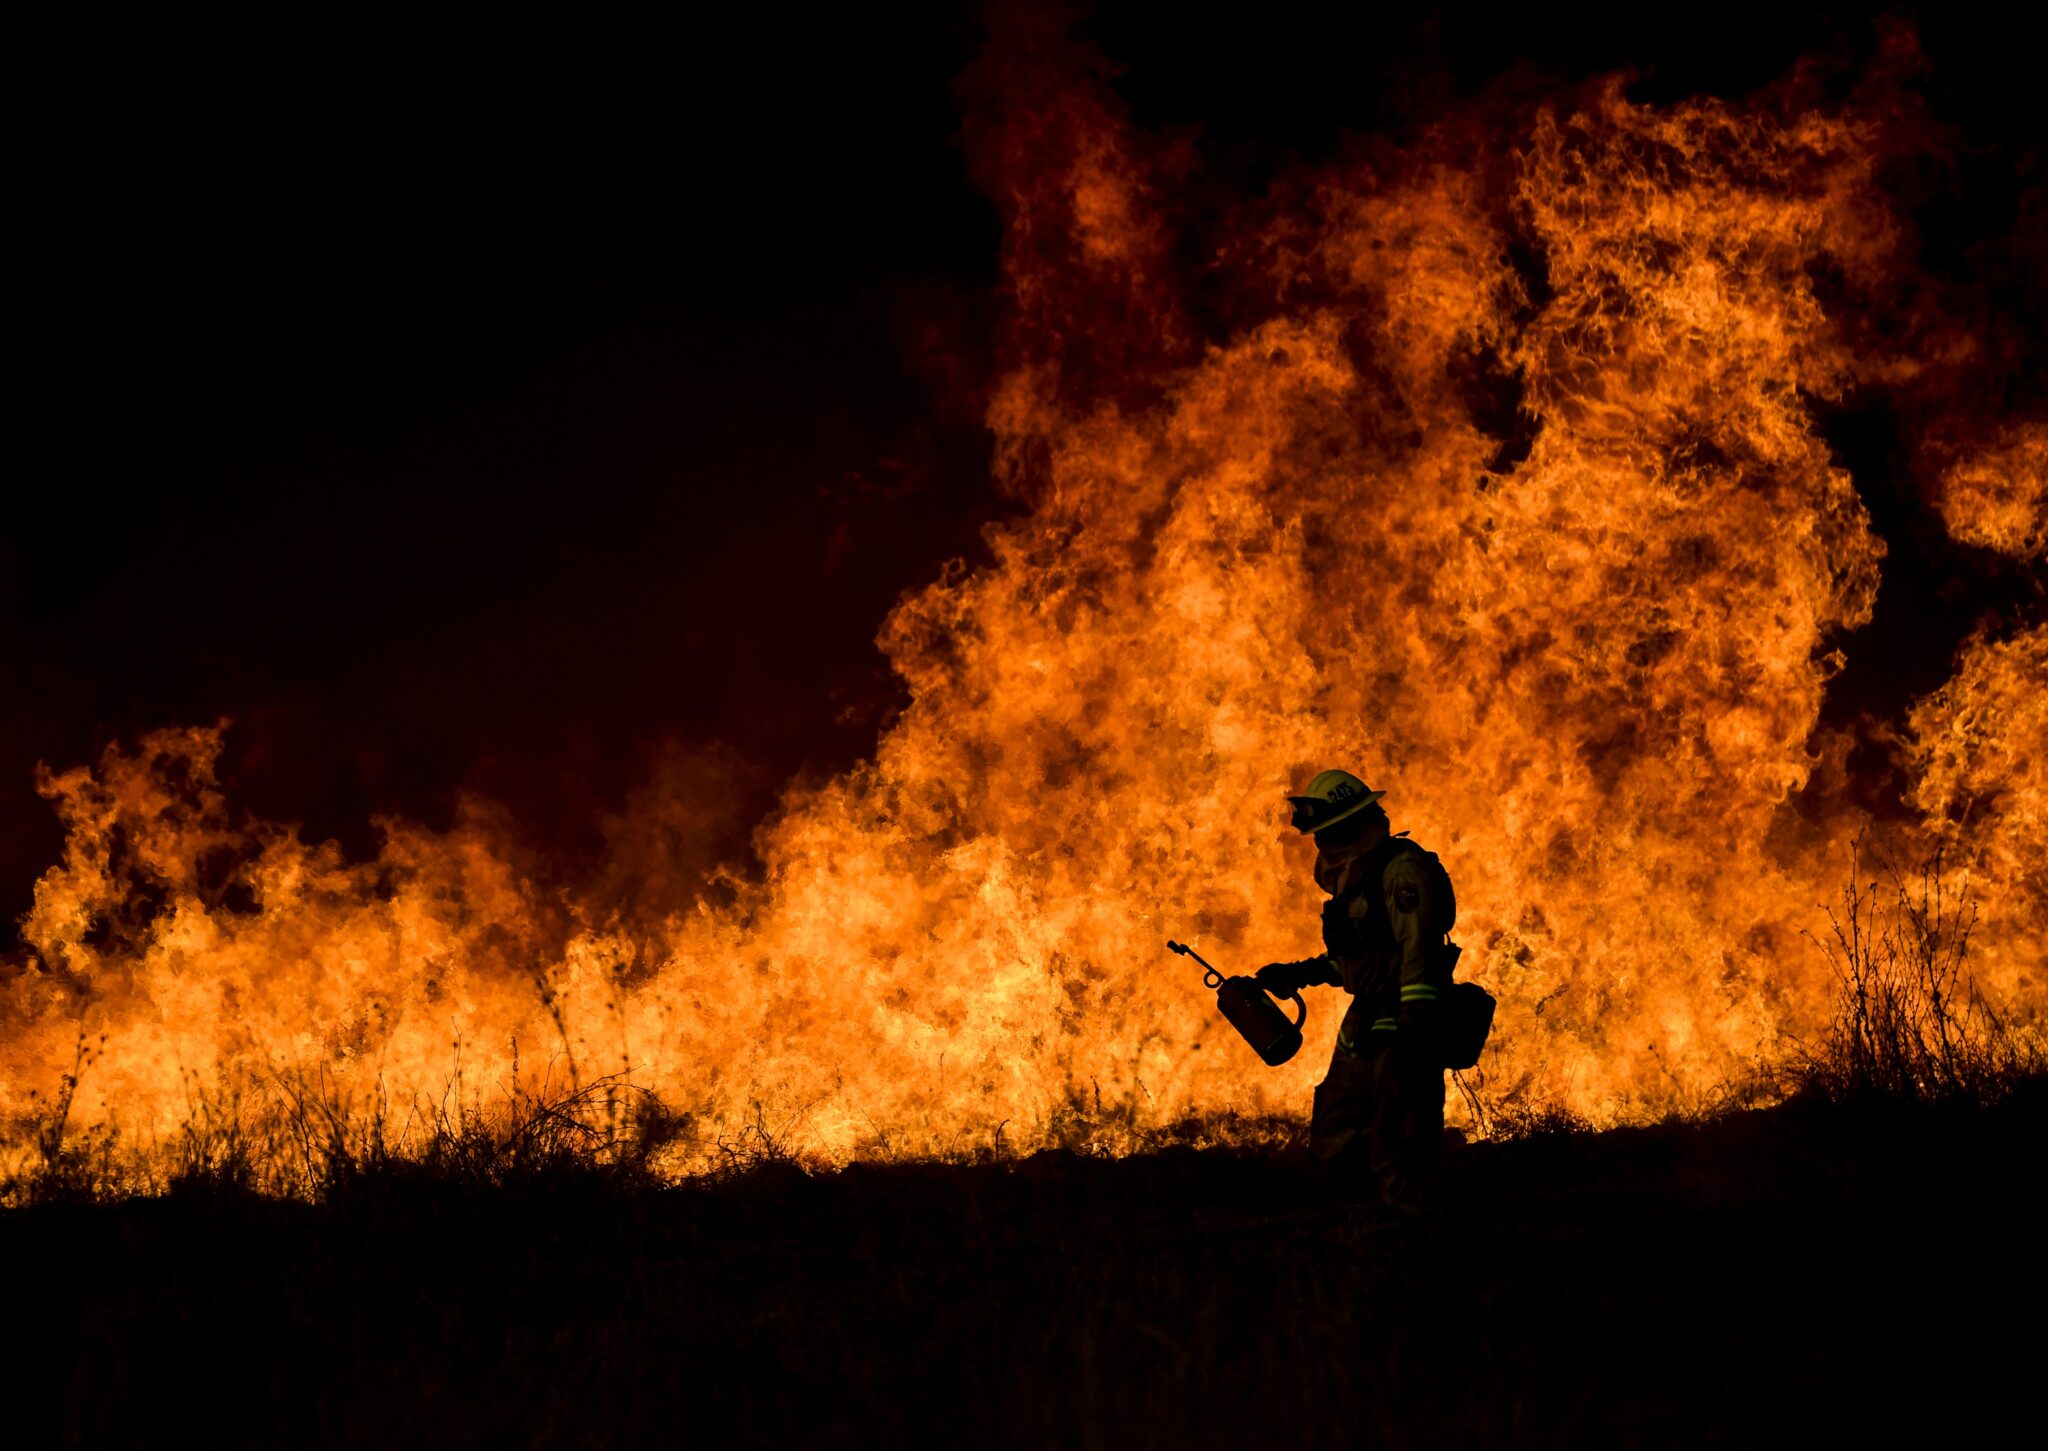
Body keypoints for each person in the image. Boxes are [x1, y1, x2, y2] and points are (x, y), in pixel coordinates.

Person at [1257, 769, 1458, 1219]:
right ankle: (1354, 1222)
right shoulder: (1356, 880)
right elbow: (1359, 959)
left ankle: (1418, 1228)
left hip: (1405, 1018)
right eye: (1320, 835)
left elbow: (1419, 952)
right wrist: (1299, 974)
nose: (1323, 844)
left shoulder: (1401, 871)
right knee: (1336, 1133)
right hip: (1366, 1018)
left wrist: (1412, 1030)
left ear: (1354, 825)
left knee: (1402, 1144)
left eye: (1329, 832)